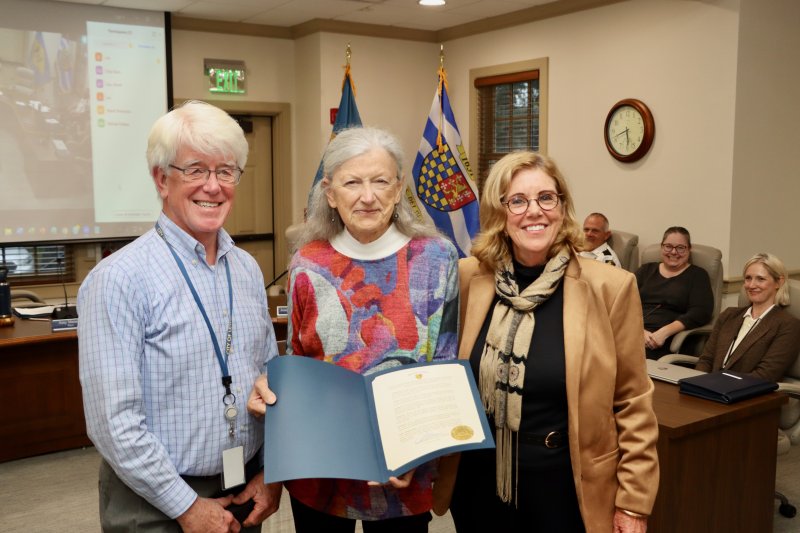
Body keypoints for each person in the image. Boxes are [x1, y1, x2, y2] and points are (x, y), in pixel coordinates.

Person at [78, 100, 282, 533]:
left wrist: (270, 472)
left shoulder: (245, 268)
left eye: (226, 171)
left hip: (242, 488)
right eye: (195, 169)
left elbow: (269, 378)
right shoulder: (118, 279)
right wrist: (187, 507)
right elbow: (114, 424)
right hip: (153, 503)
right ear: (161, 178)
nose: (213, 186)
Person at [248, 126, 459, 532]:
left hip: (404, 470)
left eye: (381, 181)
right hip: (321, 471)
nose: (368, 196)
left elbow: (444, 367)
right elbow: (296, 360)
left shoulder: (437, 257)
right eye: (352, 182)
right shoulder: (307, 263)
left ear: (398, 189)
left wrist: (417, 454)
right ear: (330, 193)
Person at [438, 151, 659, 533]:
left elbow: (633, 401)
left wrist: (634, 503)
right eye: (518, 201)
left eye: (546, 198)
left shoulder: (610, 287)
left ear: (562, 206)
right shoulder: (467, 276)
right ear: (500, 213)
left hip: (565, 485)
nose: (534, 211)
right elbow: (440, 373)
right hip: (476, 481)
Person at [694, 252, 800, 382]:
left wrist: (719, 385)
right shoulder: (728, 315)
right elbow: (706, 359)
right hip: (709, 389)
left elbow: (765, 375)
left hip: (746, 395)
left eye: (760, 279)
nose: (751, 285)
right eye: (748, 278)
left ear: (778, 282)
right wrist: (697, 383)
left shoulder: (788, 324)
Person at [636, 226, 714, 359]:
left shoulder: (698, 275)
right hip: (635, 332)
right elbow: (625, 302)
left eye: (680, 247)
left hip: (667, 340)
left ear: (689, 249)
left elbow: (701, 312)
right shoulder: (645, 270)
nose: (673, 252)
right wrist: (639, 331)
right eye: (668, 246)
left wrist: (664, 332)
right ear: (662, 247)